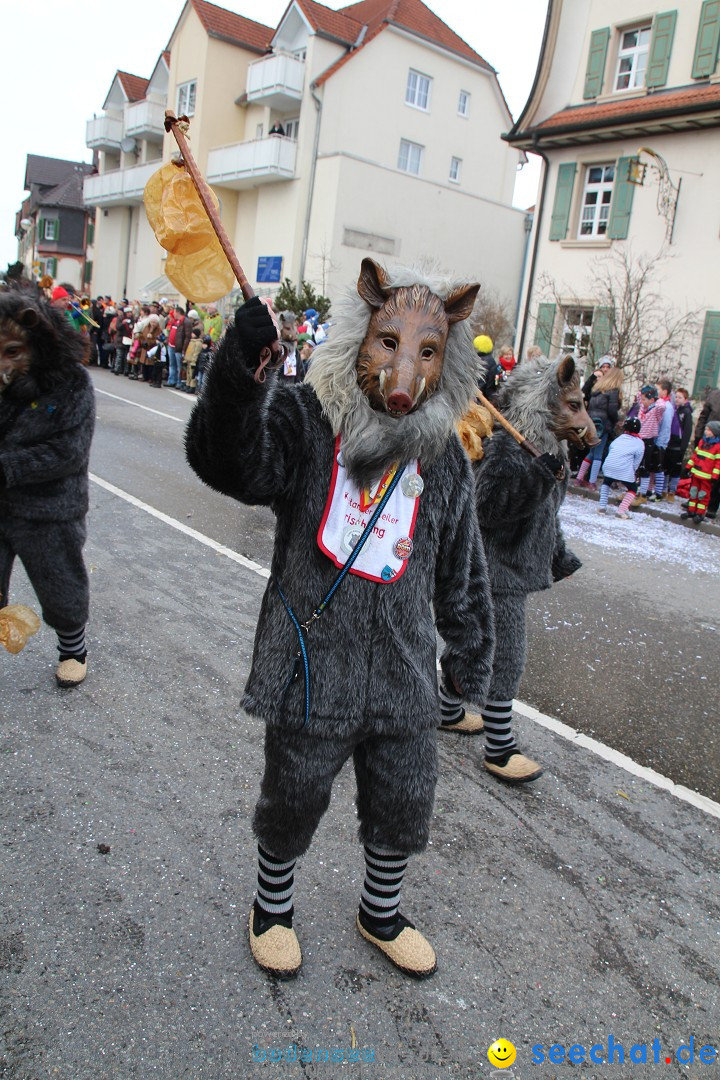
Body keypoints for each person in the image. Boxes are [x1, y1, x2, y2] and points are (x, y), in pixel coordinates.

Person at [186, 261, 494, 981]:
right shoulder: (305, 418)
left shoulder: (443, 455)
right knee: (291, 796)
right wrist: (240, 377)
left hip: (403, 669)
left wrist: (469, 655)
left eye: (426, 352)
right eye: (389, 343)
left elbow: (463, 565)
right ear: (362, 332)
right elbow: (229, 463)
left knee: (406, 796)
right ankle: (272, 908)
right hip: (310, 657)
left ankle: (380, 912)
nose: (404, 367)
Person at [439, 356, 594, 782]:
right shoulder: (507, 444)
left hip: (515, 566)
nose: (583, 419)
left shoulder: (549, 446)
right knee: (506, 656)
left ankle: (446, 708)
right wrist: (534, 479)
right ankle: (500, 749)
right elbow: (486, 508)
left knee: (476, 646)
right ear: (547, 401)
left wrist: (556, 553)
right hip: (494, 570)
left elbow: (548, 513)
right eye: (573, 406)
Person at [0, 286, 95, 687]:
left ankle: (73, 648)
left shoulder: (71, 384)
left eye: (12, 352)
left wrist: (7, 467)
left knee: (60, 585)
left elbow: (68, 452)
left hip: (49, 508)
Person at [574, 363, 623, 488]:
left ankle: (579, 478)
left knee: (591, 452)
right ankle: (592, 482)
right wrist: (616, 420)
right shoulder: (613, 392)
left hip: (593, 422)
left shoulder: (597, 390)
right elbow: (612, 411)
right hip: (603, 425)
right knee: (598, 455)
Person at [596, 417, 645, 518]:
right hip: (624, 469)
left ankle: (602, 507)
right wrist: (632, 471)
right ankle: (621, 511)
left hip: (609, 465)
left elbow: (611, 450)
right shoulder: (640, 443)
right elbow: (637, 461)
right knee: (633, 488)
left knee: (606, 482)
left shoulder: (618, 438)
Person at [631, 385, 666, 507]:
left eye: (645, 399)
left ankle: (643, 495)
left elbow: (662, 405)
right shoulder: (642, 407)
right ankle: (632, 492)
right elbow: (638, 396)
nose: (642, 401)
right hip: (638, 439)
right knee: (636, 467)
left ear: (652, 400)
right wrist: (643, 392)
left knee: (644, 468)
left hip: (648, 441)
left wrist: (656, 398)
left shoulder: (656, 410)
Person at [681, 421, 720, 523]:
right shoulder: (702, 442)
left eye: (708, 430)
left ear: (714, 433)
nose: (706, 431)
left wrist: (715, 476)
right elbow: (695, 456)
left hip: (707, 477)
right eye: (706, 429)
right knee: (693, 492)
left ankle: (700, 513)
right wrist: (687, 468)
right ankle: (691, 511)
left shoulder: (717, 447)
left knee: (703, 495)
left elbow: (718, 463)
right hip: (696, 474)